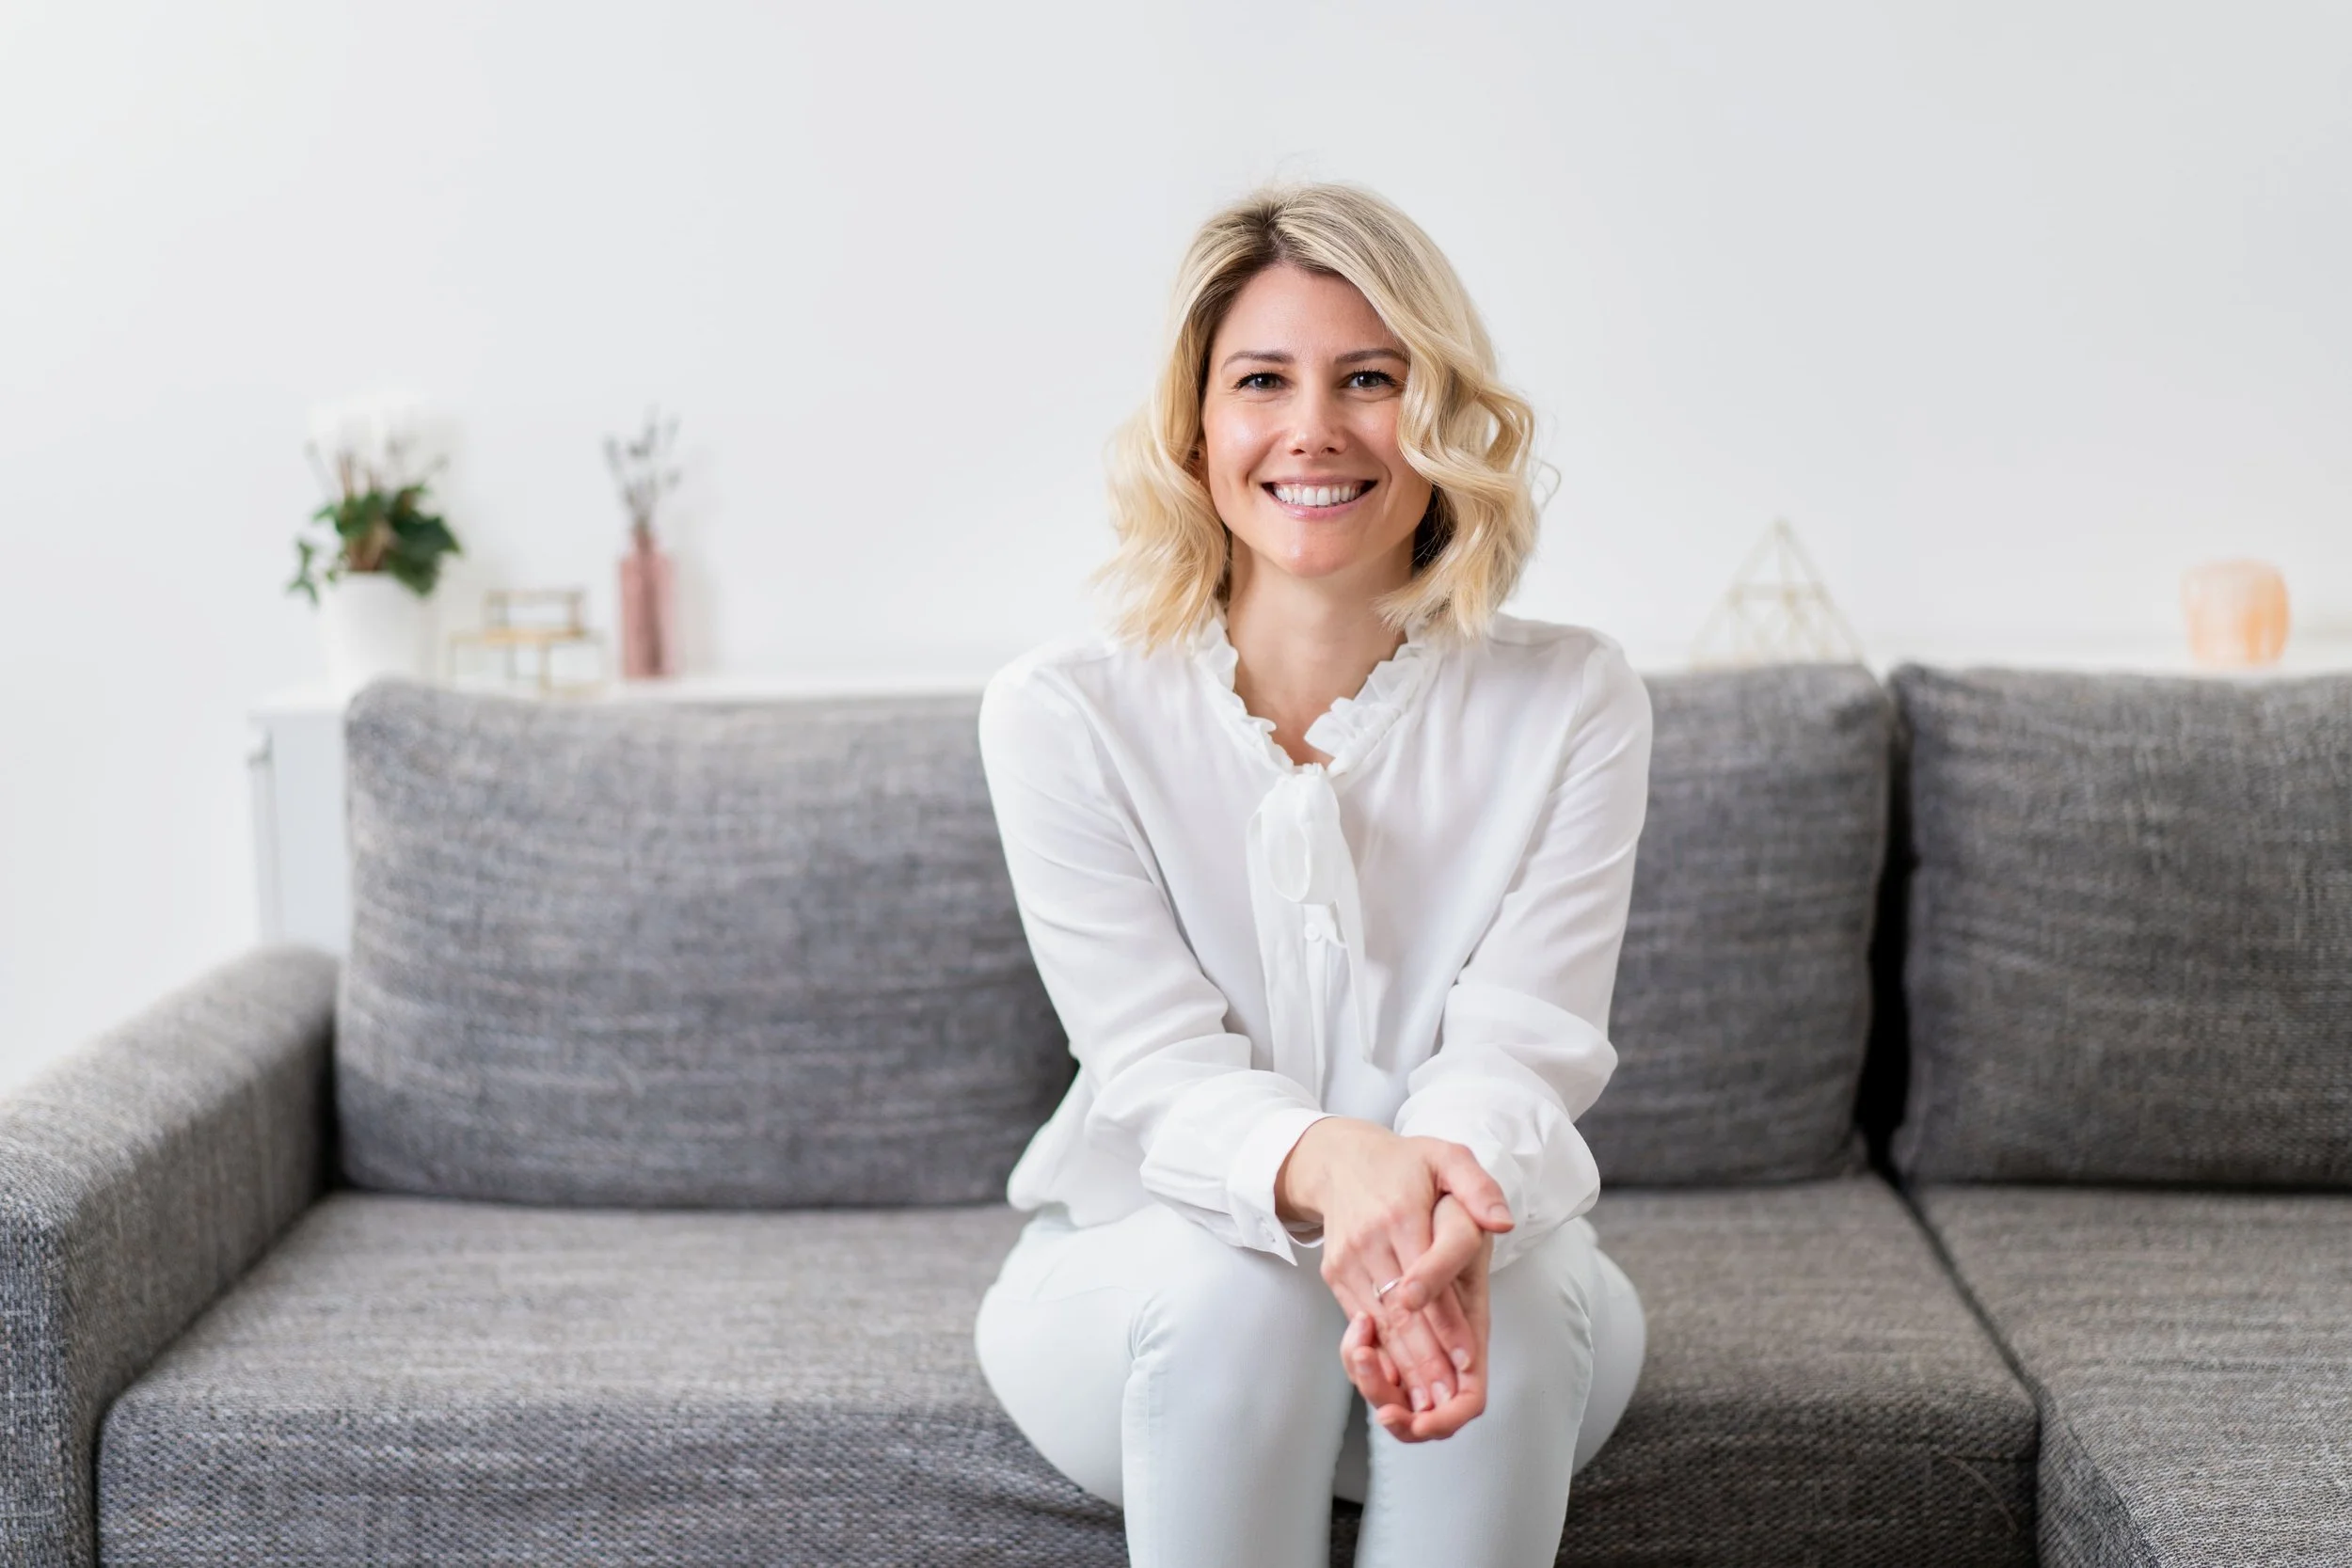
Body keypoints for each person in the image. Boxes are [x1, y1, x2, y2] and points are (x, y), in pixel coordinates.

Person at [971, 181, 1651, 1568]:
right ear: (1196, 426)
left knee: (1505, 1295)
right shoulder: (1064, 713)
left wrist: (1428, 1211)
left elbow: (1524, 1047)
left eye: (1370, 379)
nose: (1313, 429)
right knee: (1249, 1294)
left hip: (1497, 1266)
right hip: (1149, 1294)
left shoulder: (1574, 698)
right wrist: (1334, 1167)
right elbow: (1159, 1069)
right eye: (1261, 380)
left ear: (1442, 414)